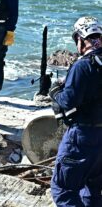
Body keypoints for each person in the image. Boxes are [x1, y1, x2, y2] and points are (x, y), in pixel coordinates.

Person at [49, 16, 102, 206]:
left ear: (80, 39)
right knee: (93, 189)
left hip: (82, 136)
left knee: (63, 190)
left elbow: (68, 101)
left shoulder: (83, 65)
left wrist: (55, 92)